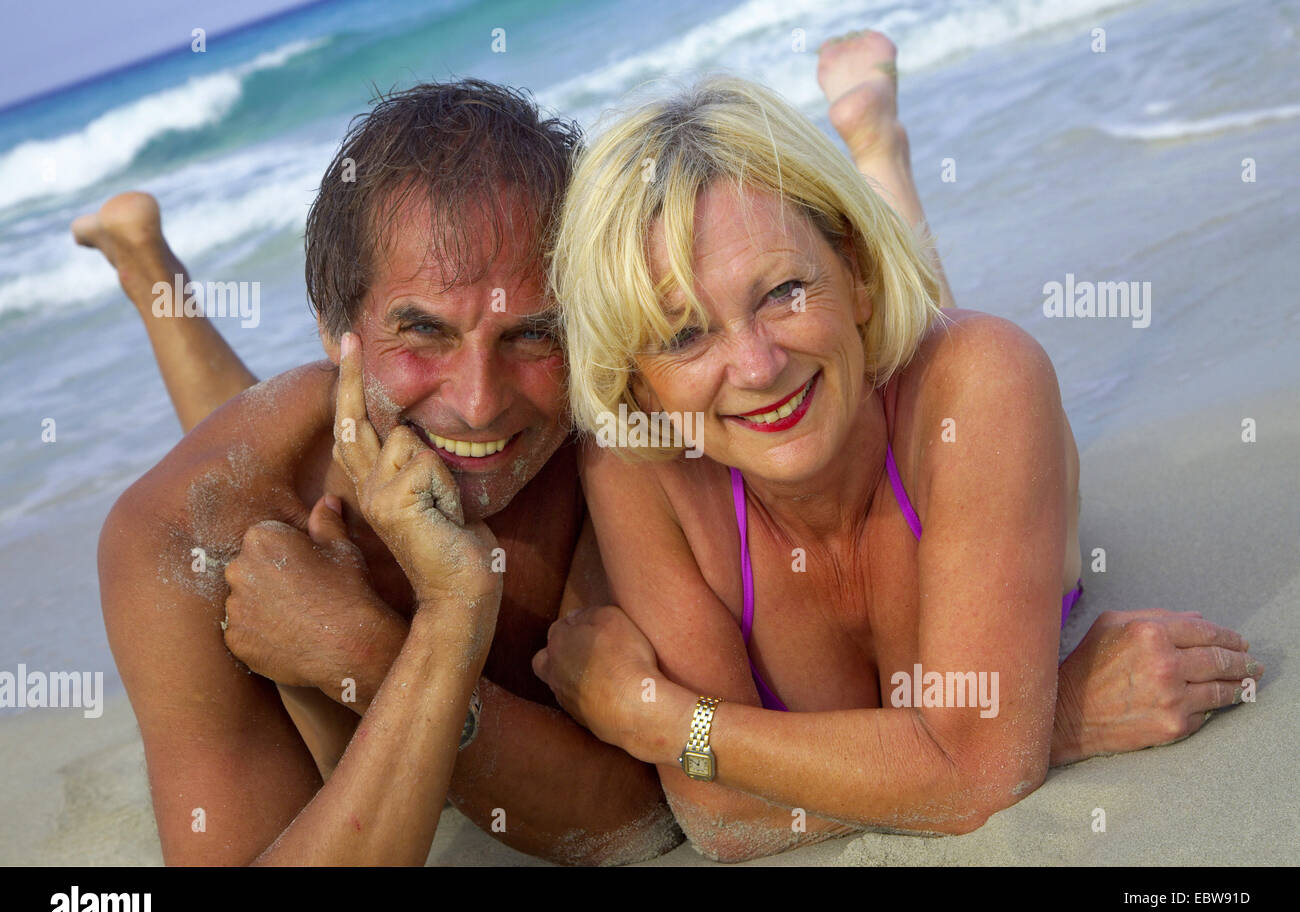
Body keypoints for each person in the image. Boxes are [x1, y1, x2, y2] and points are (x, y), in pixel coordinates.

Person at [81, 33, 1254, 866]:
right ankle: (154, 277)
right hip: (304, 448)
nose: (484, 402)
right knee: (278, 439)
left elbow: (643, 804)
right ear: (341, 334)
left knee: (902, 329)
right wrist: (421, 634)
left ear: (586, 335)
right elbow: (692, 811)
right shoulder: (188, 540)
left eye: (536, 334)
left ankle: (871, 143)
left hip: (891, 355)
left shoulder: (625, 406)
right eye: (421, 334)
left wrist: (384, 648)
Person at [532, 66, 1262, 863]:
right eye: (683, 336)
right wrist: (1052, 720)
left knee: (938, 340)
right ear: (637, 379)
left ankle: (880, 154)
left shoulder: (984, 381)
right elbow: (721, 813)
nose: (753, 363)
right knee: (842, 370)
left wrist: (669, 724)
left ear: (855, 272)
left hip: (925, 406)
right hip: (862, 390)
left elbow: (972, 768)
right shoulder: (636, 469)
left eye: (782, 289)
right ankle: (863, 159)